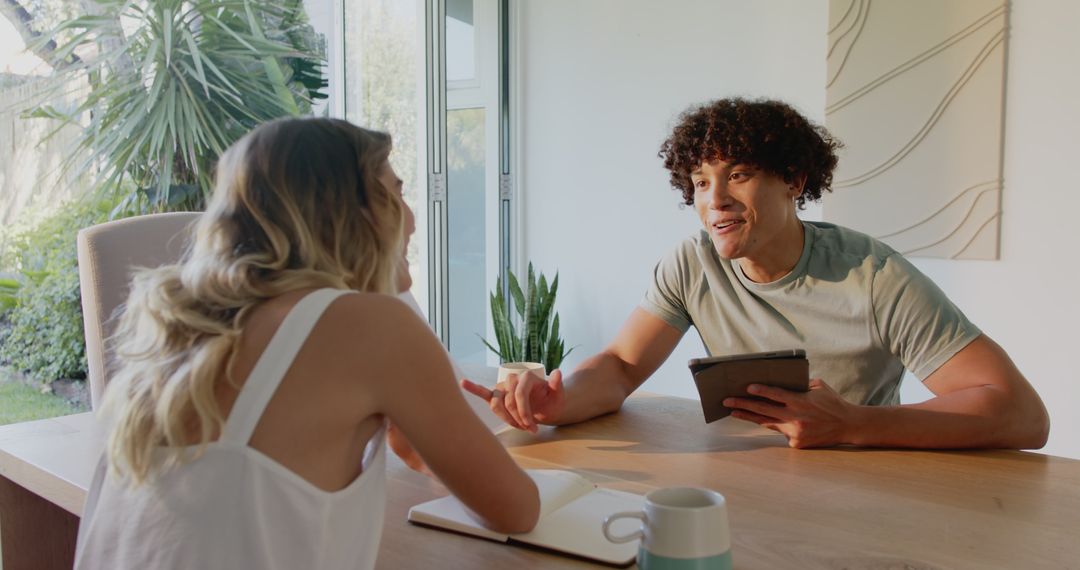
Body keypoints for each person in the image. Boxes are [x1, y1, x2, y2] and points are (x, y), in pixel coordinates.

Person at [74, 118, 539, 570]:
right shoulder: (369, 325)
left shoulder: (176, 336)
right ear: (350, 214)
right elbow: (517, 509)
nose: (413, 220)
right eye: (396, 194)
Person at [463, 98, 1050, 450]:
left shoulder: (872, 275)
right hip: (744, 474)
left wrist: (851, 425)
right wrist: (551, 401)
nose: (714, 200)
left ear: (794, 180)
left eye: (738, 175)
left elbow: (1020, 413)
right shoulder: (691, 264)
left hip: (864, 476)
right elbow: (618, 367)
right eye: (699, 183)